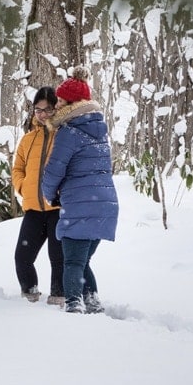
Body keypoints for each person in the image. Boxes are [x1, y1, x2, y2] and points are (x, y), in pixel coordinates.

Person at [41, 66, 119, 314]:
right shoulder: (98, 131)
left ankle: (74, 305)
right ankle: (93, 302)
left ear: (71, 104)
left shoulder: (69, 132)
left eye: (61, 100)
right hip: (105, 204)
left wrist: (48, 192)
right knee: (82, 260)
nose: (57, 105)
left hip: (80, 202)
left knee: (73, 260)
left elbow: (55, 169)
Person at [12, 87, 64, 305]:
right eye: (37, 110)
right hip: (33, 208)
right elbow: (17, 169)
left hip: (57, 209)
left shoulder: (63, 136)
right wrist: (23, 187)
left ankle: (59, 297)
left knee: (58, 258)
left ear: (56, 109)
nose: (42, 114)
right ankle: (30, 295)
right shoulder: (27, 139)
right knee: (22, 257)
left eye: (47, 109)